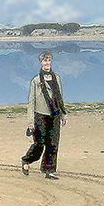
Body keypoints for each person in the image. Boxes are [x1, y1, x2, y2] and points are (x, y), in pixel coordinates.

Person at [21, 51, 67, 180]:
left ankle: (49, 170)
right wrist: (31, 120)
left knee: (53, 143)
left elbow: (60, 97)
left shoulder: (56, 78)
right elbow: (31, 101)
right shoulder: (36, 80)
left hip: (55, 114)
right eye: (45, 61)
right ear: (41, 62)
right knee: (39, 143)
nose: (47, 63)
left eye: (49, 60)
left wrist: (63, 115)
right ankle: (26, 160)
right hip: (40, 115)